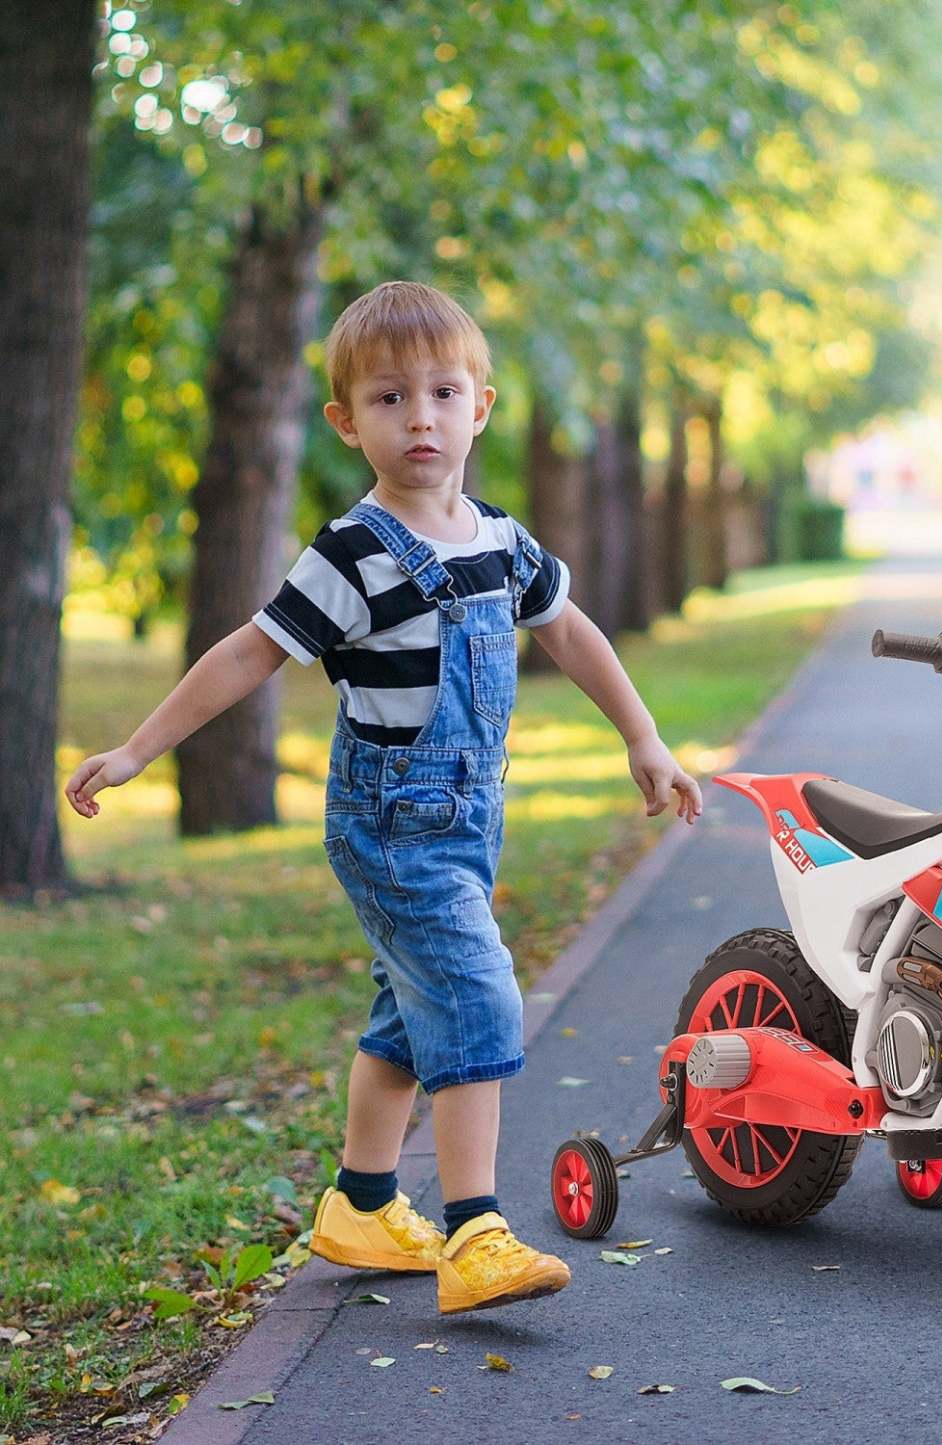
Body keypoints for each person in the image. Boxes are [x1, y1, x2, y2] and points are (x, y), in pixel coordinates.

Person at [63, 281, 703, 1315]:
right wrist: (141, 747)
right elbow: (249, 652)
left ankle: (362, 1202)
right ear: (344, 420)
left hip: (467, 821)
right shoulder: (352, 552)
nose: (419, 417)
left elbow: (571, 630)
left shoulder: (498, 537)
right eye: (390, 397)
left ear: (480, 407)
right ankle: (475, 1230)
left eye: (442, 392)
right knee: (475, 992)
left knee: (410, 1016)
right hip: (390, 822)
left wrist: (643, 735)